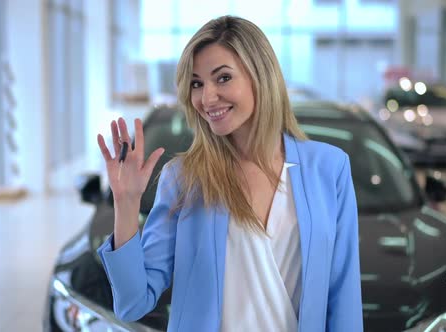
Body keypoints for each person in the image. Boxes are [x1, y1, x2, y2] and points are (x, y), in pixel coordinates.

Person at [96, 15, 363, 332]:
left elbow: (343, 299)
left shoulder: (329, 169)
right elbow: (133, 303)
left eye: (222, 78)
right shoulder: (183, 179)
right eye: (197, 83)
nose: (207, 98)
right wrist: (126, 204)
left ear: (259, 76)